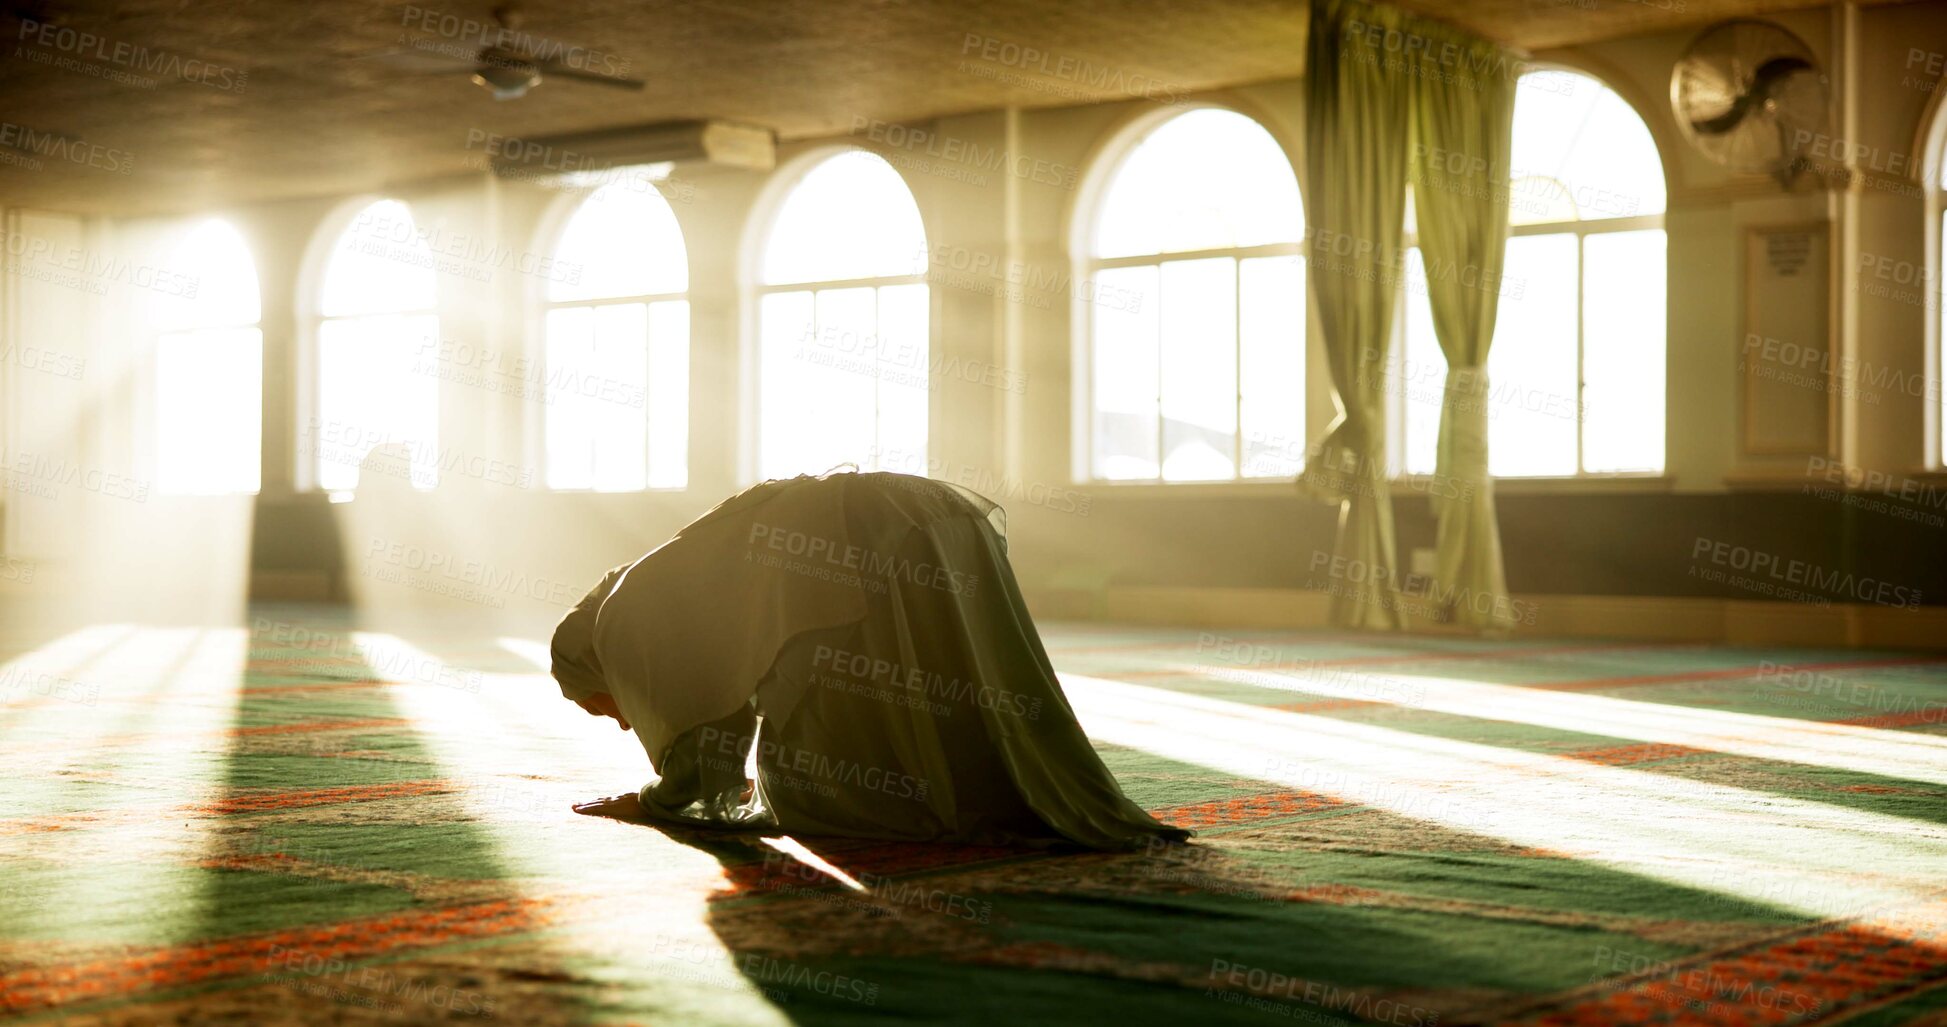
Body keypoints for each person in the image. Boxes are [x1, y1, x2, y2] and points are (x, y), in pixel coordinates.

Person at [550, 469, 1189, 851]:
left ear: (592, 664)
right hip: (936, 513)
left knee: (820, 778)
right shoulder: (650, 581)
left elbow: (703, 716)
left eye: (597, 706)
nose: (620, 721)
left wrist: (663, 800)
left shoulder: (622, 620)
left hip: (861, 530)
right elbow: (727, 688)